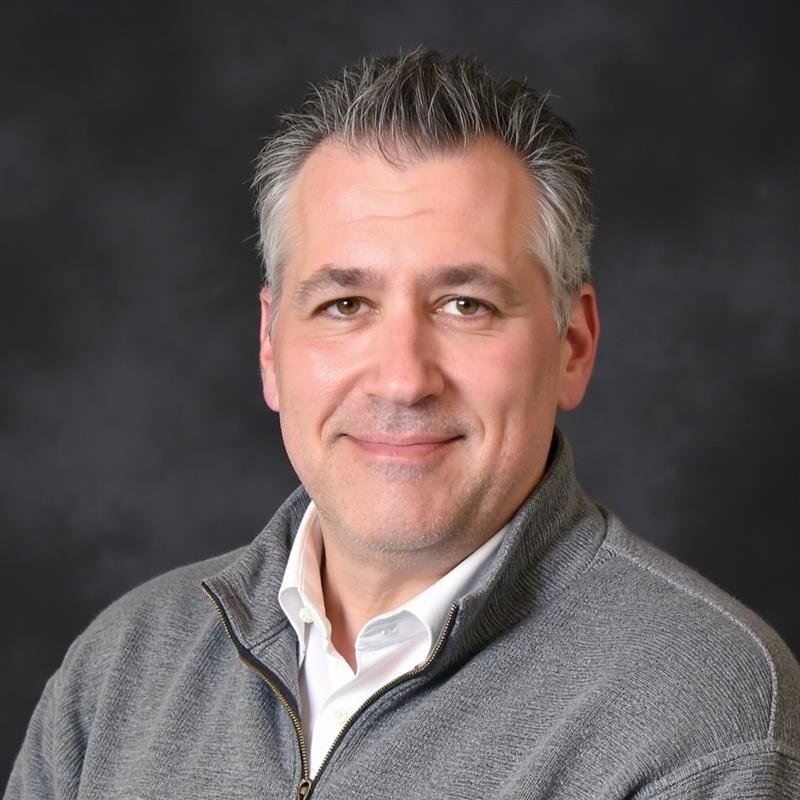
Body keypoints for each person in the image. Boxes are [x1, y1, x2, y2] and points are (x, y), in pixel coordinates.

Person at [5, 48, 800, 800]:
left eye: (466, 304)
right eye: (344, 305)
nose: (402, 378)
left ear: (572, 346)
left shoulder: (700, 711)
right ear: (271, 347)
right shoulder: (122, 669)